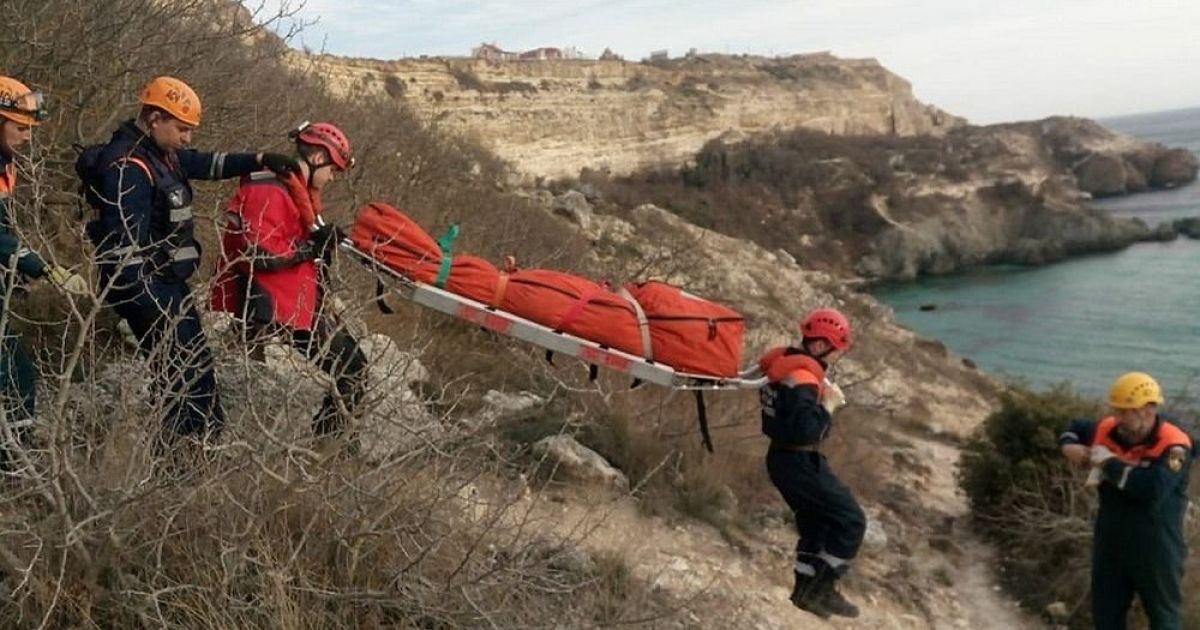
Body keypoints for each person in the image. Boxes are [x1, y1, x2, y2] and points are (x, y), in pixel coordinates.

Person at [77, 76, 302, 450]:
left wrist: (260, 159)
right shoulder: (128, 167)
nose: (187, 138)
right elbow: (122, 250)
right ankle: (180, 462)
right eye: (182, 129)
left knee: (192, 374)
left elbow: (206, 163)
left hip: (166, 283)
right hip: (149, 289)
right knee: (184, 379)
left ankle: (191, 453)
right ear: (153, 119)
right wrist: (155, 310)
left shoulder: (158, 153)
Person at [210, 121, 367, 438]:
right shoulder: (267, 190)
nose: (332, 177)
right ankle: (328, 450)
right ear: (319, 157)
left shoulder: (294, 192)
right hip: (273, 310)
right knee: (352, 369)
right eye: (333, 169)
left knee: (353, 366)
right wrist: (312, 246)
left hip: (293, 305)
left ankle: (329, 445)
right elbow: (258, 254)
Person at [1059, 372, 1193, 630]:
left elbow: (1151, 489)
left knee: (1164, 618)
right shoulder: (1108, 428)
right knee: (1106, 615)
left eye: (1125, 412)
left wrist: (1108, 463)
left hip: (1157, 546)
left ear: (1148, 409)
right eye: (1116, 410)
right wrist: (1069, 446)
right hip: (1111, 539)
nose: (1118, 418)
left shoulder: (1174, 445)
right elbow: (1074, 427)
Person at [0, 76, 88, 470]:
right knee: (14, 377)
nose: (26, 137)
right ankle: (13, 463)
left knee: (16, 374)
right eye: (20, 128)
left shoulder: (6, 165)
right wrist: (44, 268)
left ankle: (14, 458)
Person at [756, 307, 863, 619]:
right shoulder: (803, 377)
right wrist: (828, 407)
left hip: (781, 459)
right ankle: (822, 590)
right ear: (819, 346)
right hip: (797, 460)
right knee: (851, 520)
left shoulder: (783, 364)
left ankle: (804, 591)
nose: (834, 358)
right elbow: (807, 430)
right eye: (835, 350)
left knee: (816, 523)